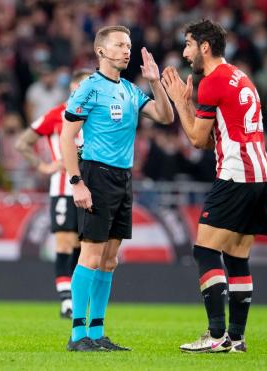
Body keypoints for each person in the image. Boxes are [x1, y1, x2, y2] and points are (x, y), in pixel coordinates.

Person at [160, 19, 267, 353]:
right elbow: (216, 136)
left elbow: (197, 139)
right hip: (261, 174)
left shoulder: (211, 81)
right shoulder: (240, 77)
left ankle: (216, 335)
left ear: (204, 47)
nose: (186, 52)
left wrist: (181, 101)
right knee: (237, 257)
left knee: (204, 250)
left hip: (237, 173)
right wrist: (192, 106)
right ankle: (236, 339)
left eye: (188, 44)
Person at [60, 25, 173, 352]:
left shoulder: (129, 89)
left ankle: (97, 333)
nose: (127, 50)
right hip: (96, 175)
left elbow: (165, 116)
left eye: (129, 45)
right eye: (120, 45)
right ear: (101, 51)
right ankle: (78, 335)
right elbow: (67, 136)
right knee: (91, 254)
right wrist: (76, 181)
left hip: (123, 178)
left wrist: (154, 82)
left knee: (109, 260)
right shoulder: (88, 89)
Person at [15, 69, 92, 319]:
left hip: (91, 187)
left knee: (84, 245)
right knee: (65, 242)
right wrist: (44, 166)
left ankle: (77, 296)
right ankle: (66, 301)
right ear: (72, 87)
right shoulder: (56, 114)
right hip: (62, 188)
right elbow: (22, 142)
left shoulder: (98, 114)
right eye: (80, 85)